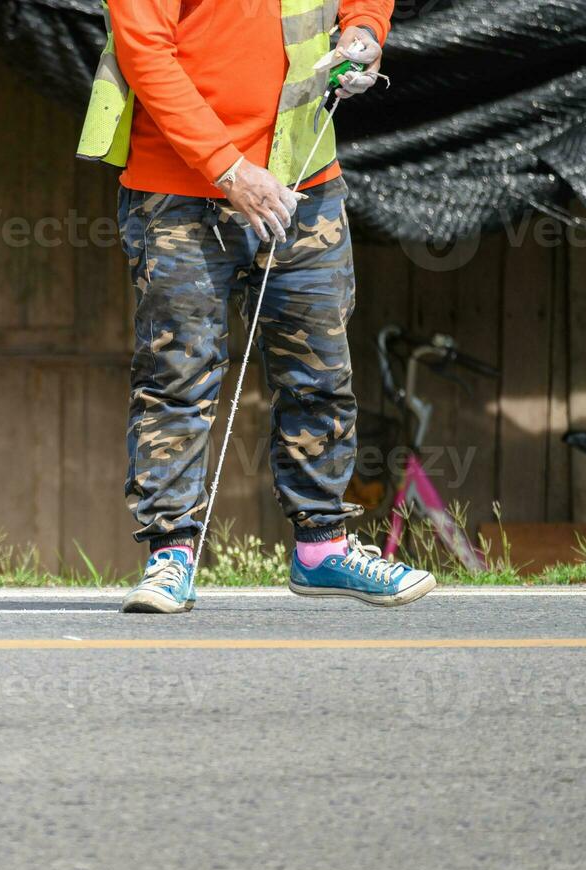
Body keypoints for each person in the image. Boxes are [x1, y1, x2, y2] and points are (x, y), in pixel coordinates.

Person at [107, 0, 436, 612]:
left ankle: (322, 550)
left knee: (319, 374)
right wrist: (230, 170)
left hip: (304, 179)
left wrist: (364, 32)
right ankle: (169, 557)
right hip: (178, 193)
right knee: (176, 376)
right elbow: (145, 51)